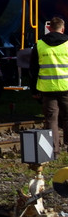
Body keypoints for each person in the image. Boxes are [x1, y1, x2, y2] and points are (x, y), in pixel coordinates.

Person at [32, 17, 68, 158]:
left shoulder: (40, 44)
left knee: (51, 119)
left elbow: (33, 69)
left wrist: (34, 90)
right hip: (66, 87)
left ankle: (54, 150)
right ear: (62, 28)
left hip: (47, 89)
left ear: (49, 28)